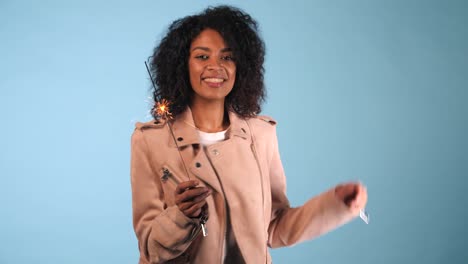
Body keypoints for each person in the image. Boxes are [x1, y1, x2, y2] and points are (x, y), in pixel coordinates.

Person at [131, 5, 368, 264]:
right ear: (181, 65)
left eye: (227, 57)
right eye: (202, 57)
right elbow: (150, 248)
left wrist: (335, 205)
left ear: (241, 66)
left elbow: (276, 228)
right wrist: (182, 216)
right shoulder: (149, 141)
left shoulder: (261, 135)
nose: (215, 66)